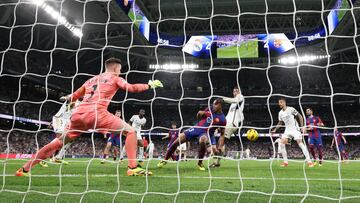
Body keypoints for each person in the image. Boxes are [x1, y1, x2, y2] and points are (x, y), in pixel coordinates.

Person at [15, 57, 163, 177]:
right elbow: (131, 88)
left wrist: (67, 97)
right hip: (97, 113)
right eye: (119, 69)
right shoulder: (115, 77)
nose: (119, 71)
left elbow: (73, 97)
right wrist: (149, 85)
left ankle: (24, 169)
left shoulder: (91, 80)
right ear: (116, 68)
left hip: (78, 116)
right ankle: (133, 167)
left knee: (58, 142)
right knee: (130, 132)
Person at [158, 98, 226, 171]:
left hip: (206, 133)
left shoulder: (222, 119)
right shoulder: (210, 108)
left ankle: (200, 163)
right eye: (213, 104)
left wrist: (221, 145)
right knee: (177, 141)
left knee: (203, 140)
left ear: (220, 106)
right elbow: (200, 117)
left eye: (216, 104)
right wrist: (199, 114)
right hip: (196, 128)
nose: (213, 105)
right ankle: (165, 160)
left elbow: (222, 134)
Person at [271, 98, 314, 167]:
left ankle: (309, 161)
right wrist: (275, 129)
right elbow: (280, 122)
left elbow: (300, 116)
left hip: (295, 129)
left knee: (300, 143)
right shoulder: (280, 113)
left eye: (281, 102)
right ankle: (285, 162)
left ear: (284, 102)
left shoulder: (291, 109)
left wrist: (302, 127)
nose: (279, 104)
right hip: (287, 130)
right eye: (279, 103)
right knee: (281, 143)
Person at [212, 86, 244, 167]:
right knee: (221, 142)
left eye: (237, 91)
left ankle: (216, 158)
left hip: (231, 124)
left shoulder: (240, 97)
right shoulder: (233, 104)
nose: (235, 93)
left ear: (240, 92)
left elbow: (234, 100)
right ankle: (217, 162)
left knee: (221, 141)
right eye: (234, 91)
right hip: (227, 123)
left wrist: (222, 99)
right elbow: (230, 115)